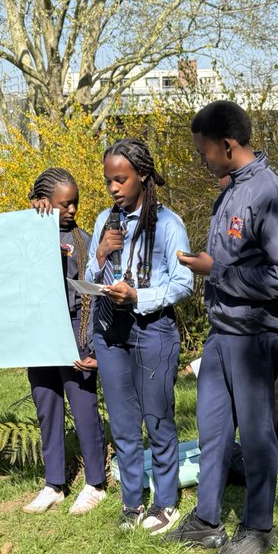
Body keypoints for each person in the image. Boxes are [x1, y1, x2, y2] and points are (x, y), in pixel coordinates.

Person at [167, 101, 278, 554]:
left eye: (205, 153)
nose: (203, 162)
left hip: (255, 334)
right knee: (213, 428)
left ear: (227, 145)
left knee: (257, 432)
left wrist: (215, 270)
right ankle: (207, 519)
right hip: (222, 331)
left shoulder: (271, 195)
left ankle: (258, 526)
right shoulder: (229, 192)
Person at [85, 139, 194, 533]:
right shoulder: (104, 221)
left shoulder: (167, 224)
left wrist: (139, 296)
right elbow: (88, 276)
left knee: (158, 419)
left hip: (152, 330)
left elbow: (185, 283)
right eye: (108, 180)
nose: (113, 188)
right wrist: (99, 256)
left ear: (142, 176)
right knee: (124, 423)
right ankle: (132, 502)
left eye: (121, 179)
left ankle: (165, 502)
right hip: (110, 331)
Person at [23, 168, 108, 515]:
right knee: (47, 403)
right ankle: (53, 483)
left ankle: (95, 482)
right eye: (64, 204)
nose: (72, 210)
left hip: (76, 328)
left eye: (75, 203)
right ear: (43, 203)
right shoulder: (26, 233)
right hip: (40, 331)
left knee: (83, 403)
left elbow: (92, 294)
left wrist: (85, 342)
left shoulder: (82, 241)